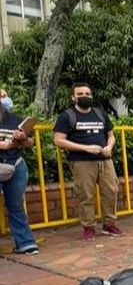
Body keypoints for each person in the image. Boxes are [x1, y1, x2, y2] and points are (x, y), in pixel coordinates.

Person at [54, 83, 124, 241]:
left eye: (87, 94)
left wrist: (109, 147)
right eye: (80, 94)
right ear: (73, 97)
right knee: (85, 194)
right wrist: (85, 148)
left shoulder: (100, 113)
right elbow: (58, 140)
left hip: (105, 160)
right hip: (82, 162)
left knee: (111, 191)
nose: (84, 96)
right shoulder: (67, 116)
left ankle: (109, 224)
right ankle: (88, 227)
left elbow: (111, 136)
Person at [0, 88, 39, 254]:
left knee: (16, 206)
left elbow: (30, 143)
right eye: (1, 96)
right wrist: (3, 145)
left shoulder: (14, 118)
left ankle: (25, 243)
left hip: (15, 165)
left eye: (4, 96)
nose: (4, 99)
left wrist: (24, 138)